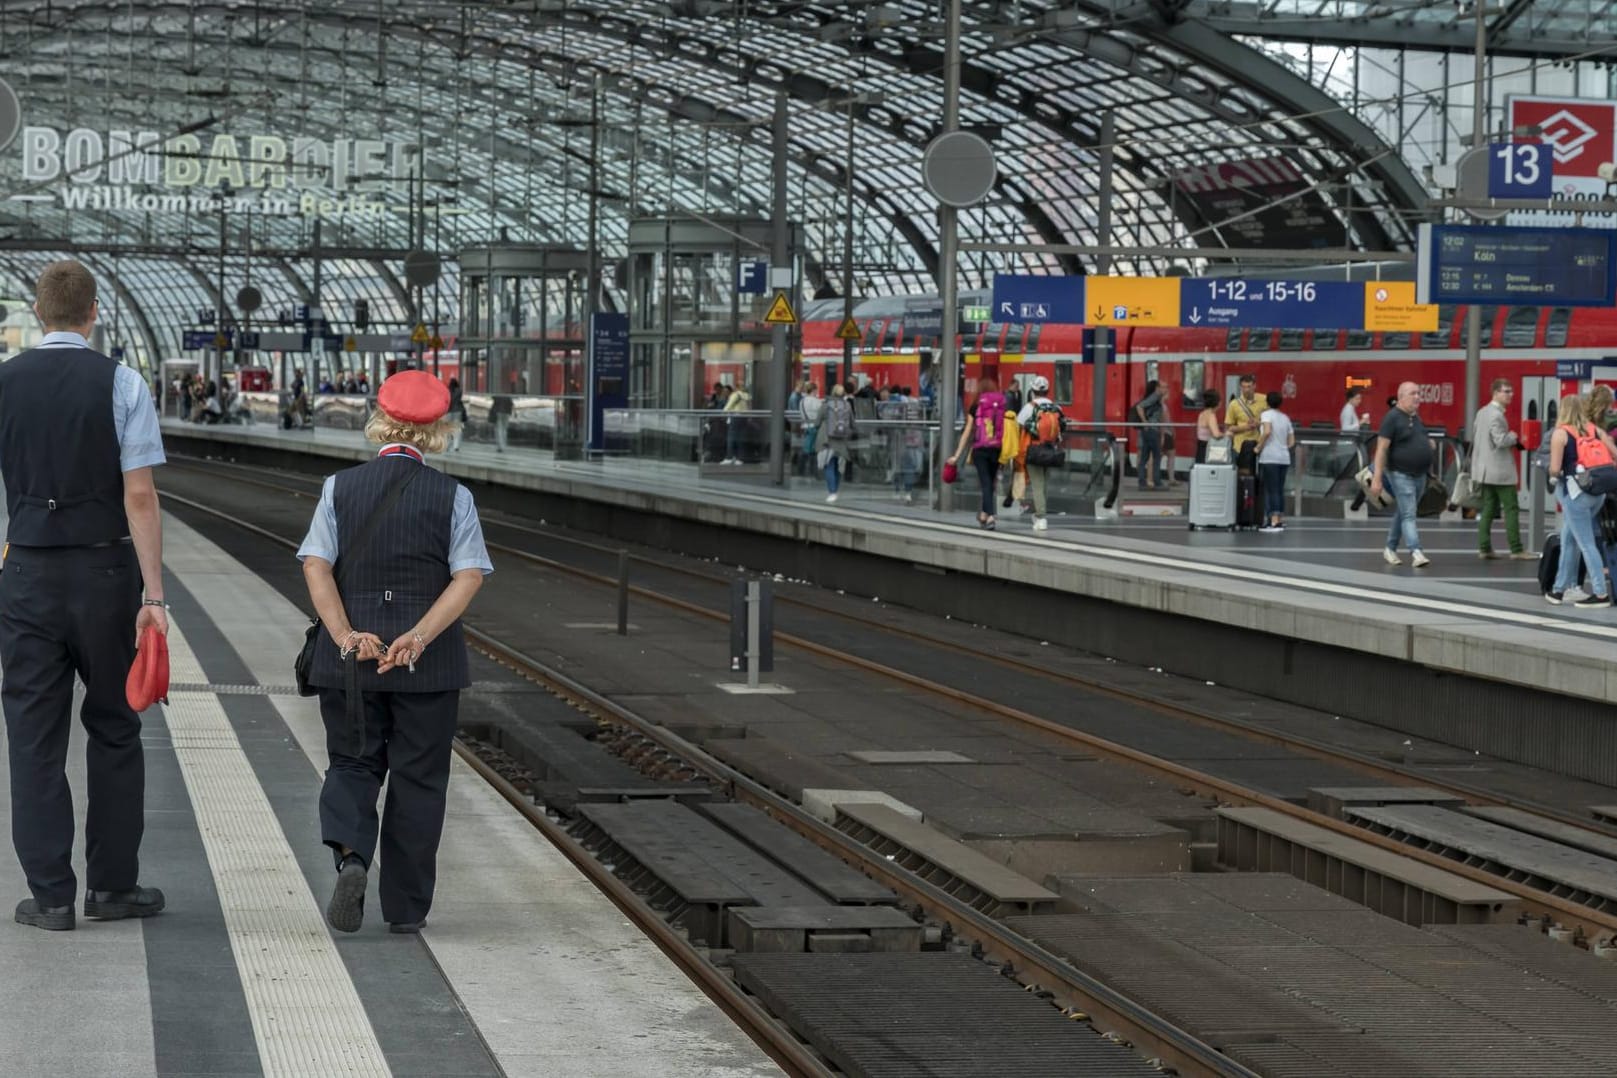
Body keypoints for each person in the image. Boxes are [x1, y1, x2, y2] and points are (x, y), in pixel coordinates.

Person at [3, 260, 169, 932]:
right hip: (106, 575)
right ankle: (113, 888)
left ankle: (50, 897)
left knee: (33, 736)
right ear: (92, 313)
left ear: (38, 314)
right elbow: (139, 494)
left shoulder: (4, 383)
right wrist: (153, 595)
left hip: (29, 577)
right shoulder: (122, 383)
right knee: (114, 727)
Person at [297, 370, 493, 933]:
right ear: (440, 430)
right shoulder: (455, 497)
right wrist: (419, 637)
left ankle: (353, 857)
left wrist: (345, 637)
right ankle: (405, 910)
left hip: (353, 664)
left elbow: (316, 564)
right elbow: (468, 576)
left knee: (353, 763)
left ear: (377, 422)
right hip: (426, 668)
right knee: (419, 780)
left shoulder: (339, 487)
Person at [1545, 394, 1617, 606]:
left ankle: (1600, 593)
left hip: (1576, 495)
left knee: (1586, 544)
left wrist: (1552, 472)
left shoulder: (1561, 433)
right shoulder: (1595, 430)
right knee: (1569, 539)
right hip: (1598, 493)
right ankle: (1559, 590)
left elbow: (1556, 469)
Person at [1370, 381, 1434, 567]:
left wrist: (1428, 446)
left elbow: (1420, 438)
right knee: (1409, 514)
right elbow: (1381, 449)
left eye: (1418, 393)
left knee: (1405, 512)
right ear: (1401, 397)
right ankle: (1416, 551)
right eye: (1413, 394)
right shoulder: (1392, 418)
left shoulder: (1416, 418)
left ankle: (1390, 548)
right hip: (1400, 473)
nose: (1417, 397)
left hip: (1419, 474)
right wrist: (1377, 477)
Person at [1470, 379, 1532, 561]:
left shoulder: (1482, 412)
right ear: (1495, 393)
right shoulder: (1496, 415)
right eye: (1506, 391)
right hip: (1499, 471)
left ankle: (1484, 547)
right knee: (1511, 508)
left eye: (1511, 391)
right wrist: (1512, 436)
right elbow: (1500, 441)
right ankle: (1516, 549)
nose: (1510, 394)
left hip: (1485, 471)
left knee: (1489, 507)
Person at [952, 377, 1007, 529]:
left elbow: (967, 432)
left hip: (980, 449)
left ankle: (990, 517)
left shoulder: (976, 407)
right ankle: (984, 513)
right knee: (990, 482)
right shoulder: (1001, 407)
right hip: (997, 448)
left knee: (986, 483)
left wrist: (957, 455)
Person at [1016, 375, 1064, 532]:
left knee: (1037, 483)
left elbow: (1018, 424)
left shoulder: (1030, 407)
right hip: (1050, 450)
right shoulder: (1056, 407)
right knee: (1044, 483)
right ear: (1048, 390)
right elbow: (1062, 427)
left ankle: (1041, 516)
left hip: (1033, 450)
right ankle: (1040, 513)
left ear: (1033, 390)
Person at [1256, 390, 1296, 532]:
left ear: (1267, 402)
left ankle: (1272, 521)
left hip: (1269, 457)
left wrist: (1258, 447)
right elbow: (1291, 441)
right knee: (1279, 489)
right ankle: (1279, 519)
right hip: (1284, 457)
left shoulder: (1266, 415)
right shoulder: (1285, 418)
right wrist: (1282, 446)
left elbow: (1266, 431)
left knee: (1270, 489)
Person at [818, 383, 855, 503]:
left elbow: (818, 421)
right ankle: (835, 490)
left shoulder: (826, 405)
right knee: (838, 466)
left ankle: (832, 492)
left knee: (829, 465)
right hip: (842, 439)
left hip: (828, 439)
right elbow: (852, 423)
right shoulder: (847, 405)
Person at [1224, 374, 1263, 471]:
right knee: (1244, 478)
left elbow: (1272, 418)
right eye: (1243, 387)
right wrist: (1247, 427)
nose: (1246, 390)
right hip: (1240, 448)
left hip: (1260, 445)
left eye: (1249, 386)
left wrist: (1258, 423)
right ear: (1240, 387)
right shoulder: (1234, 404)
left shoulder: (1264, 400)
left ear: (1254, 386)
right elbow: (1229, 427)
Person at [1133, 379, 1165, 490]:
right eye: (1163, 387)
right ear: (1157, 388)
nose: (1165, 389)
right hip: (1152, 430)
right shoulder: (1155, 397)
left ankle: (1142, 483)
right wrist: (1145, 422)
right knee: (1156, 456)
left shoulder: (1156, 398)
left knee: (1144, 458)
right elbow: (1139, 407)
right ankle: (1157, 483)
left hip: (1147, 431)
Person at [722, 379, 752, 464]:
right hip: (744, 418)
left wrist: (722, 413)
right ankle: (739, 458)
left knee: (731, 437)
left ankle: (729, 457)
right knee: (740, 438)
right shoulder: (747, 396)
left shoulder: (736, 395)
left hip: (735, 417)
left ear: (736, 387)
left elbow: (728, 407)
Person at [799, 382, 823, 478]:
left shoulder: (802, 401)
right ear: (813, 390)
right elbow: (822, 413)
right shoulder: (816, 401)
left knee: (807, 448)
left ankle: (801, 470)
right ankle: (814, 472)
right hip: (814, 427)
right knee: (813, 450)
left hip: (805, 426)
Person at [1194, 390, 1223, 463]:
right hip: (1207, 447)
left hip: (1200, 446)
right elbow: (1216, 434)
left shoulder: (1202, 414)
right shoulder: (1211, 415)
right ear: (1217, 402)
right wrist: (1227, 434)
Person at [447, 377, 466, 451]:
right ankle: (456, 446)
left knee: (448, 429)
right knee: (457, 429)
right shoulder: (459, 391)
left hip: (449, 411)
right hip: (458, 411)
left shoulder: (448, 391)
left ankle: (447, 445)